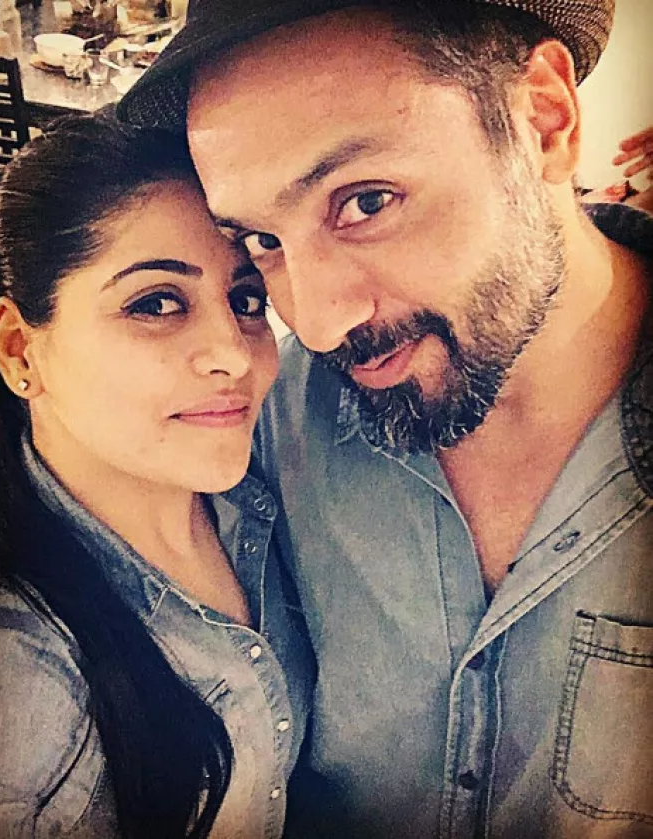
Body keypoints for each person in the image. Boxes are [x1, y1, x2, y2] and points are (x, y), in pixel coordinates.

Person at [119, 1, 653, 836]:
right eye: (262, 240)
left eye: (365, 202)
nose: (317, 322)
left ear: (545, 118)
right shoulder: (270, 426)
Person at [0, 113, 313, 839]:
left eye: (246, 301)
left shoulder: (261, 496)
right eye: (156, 303)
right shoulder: (22, 688)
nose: (233, 354)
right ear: (19, 351)